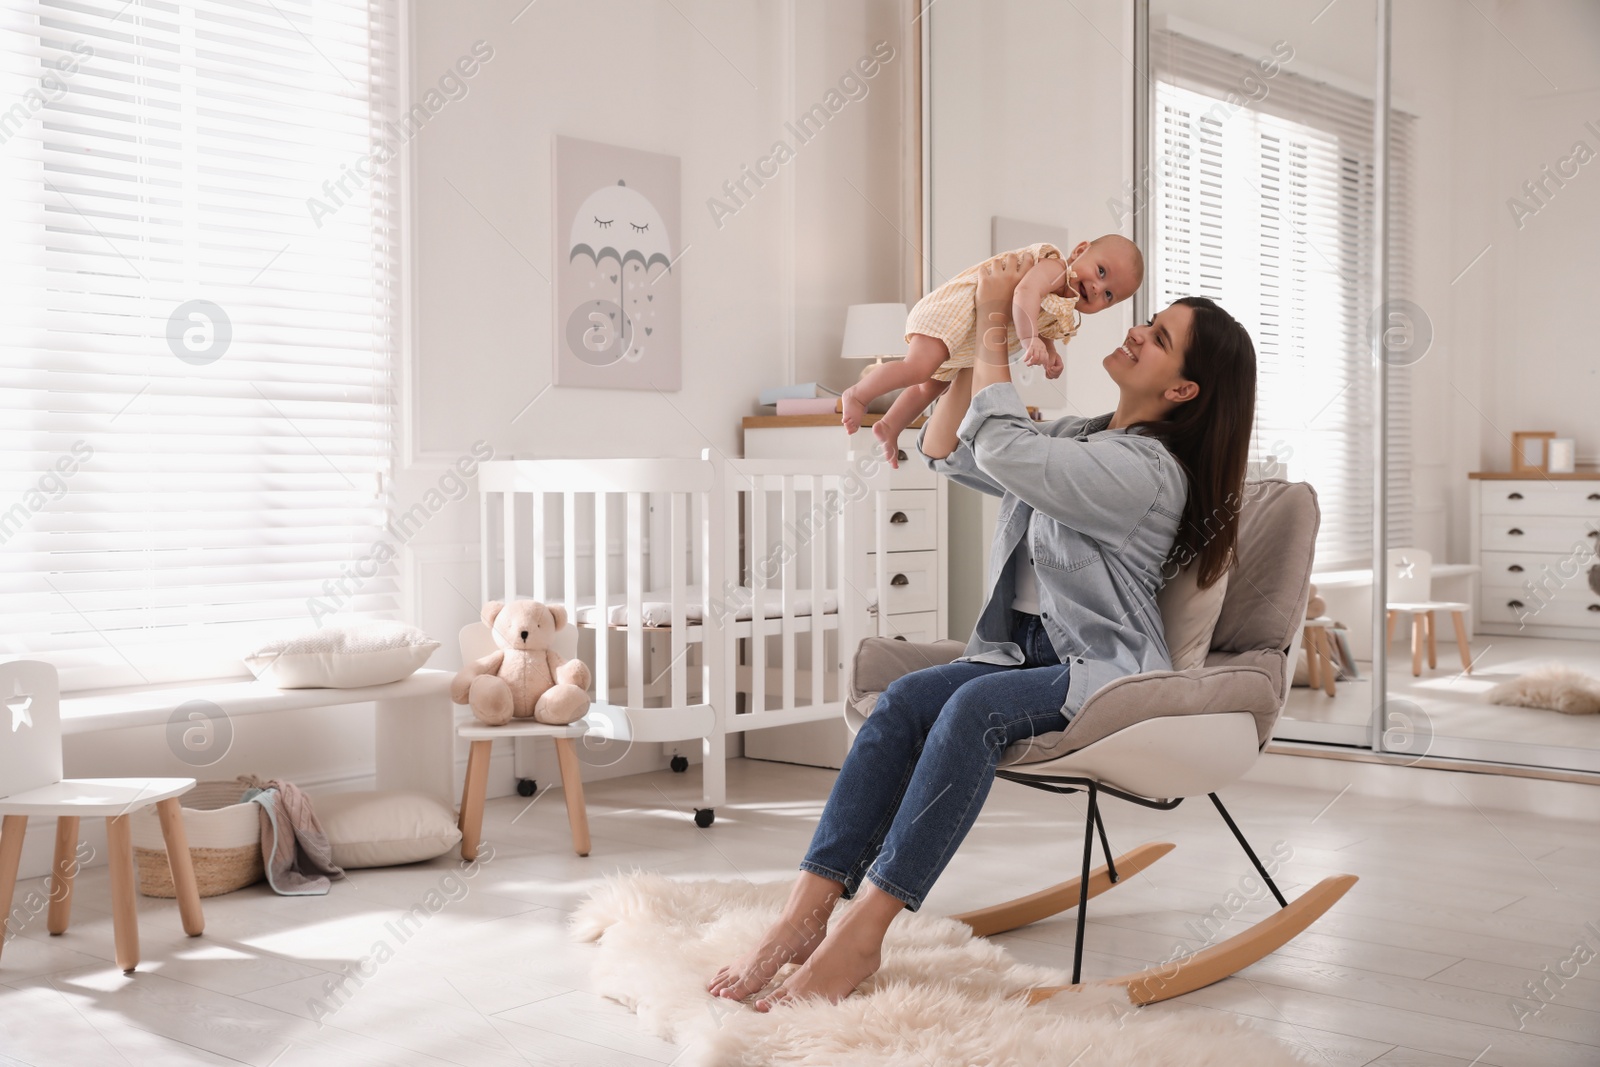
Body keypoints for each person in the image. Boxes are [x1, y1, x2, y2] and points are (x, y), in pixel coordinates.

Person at [708, 249, 1258, 1011]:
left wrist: (1001, 323)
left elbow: (1002, 444)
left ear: (1182, 389)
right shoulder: (1083, 436)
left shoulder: (1148, 472)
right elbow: (950, 450)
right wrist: (971, 334)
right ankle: (802, 915)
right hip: (1020, 652)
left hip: (1097, 670)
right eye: (1147, 324)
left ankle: (863, 933)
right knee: (904, 700)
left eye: (1157, 337)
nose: (1133, 332)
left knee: (971, 711)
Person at [840, 236, 1144, 467]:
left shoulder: (1062, 308)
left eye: (1108, 294)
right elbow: (1025, 294)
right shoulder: (1053, 268)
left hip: (966, 339)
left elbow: (1041, 322)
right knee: (918, 368)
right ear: (1079, 251)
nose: (1096, 288)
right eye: (1100, 271)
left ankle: (890, 426)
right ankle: (858, 395)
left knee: (929, 387)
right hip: (957, 312)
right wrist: (1029, 341)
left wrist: (1049, 352)